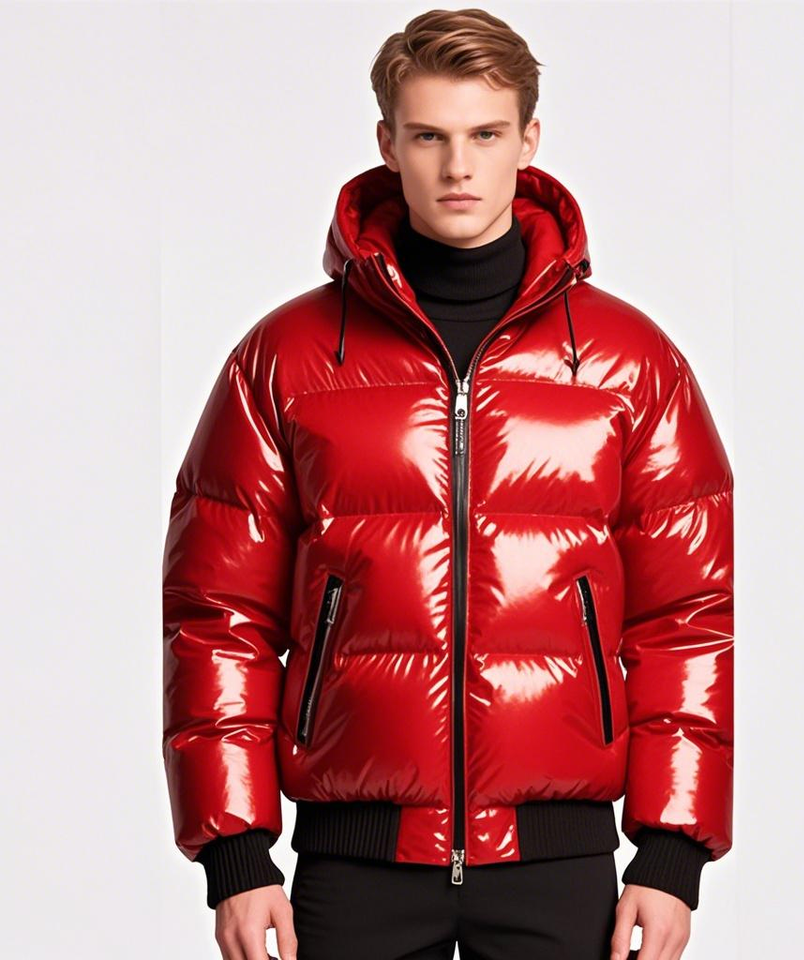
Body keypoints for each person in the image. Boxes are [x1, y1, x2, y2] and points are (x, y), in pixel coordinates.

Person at [162, 8, 733, 960]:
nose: (458, 167)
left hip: (561, 861)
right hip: (356, 860)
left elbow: (688, 619)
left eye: (485, 135)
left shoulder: (631, 363)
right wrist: (237, 853)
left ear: (529, 141)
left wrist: (673, 853)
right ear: (387, 144)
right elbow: (217, 615)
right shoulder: (286, 358)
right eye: (429, 136)